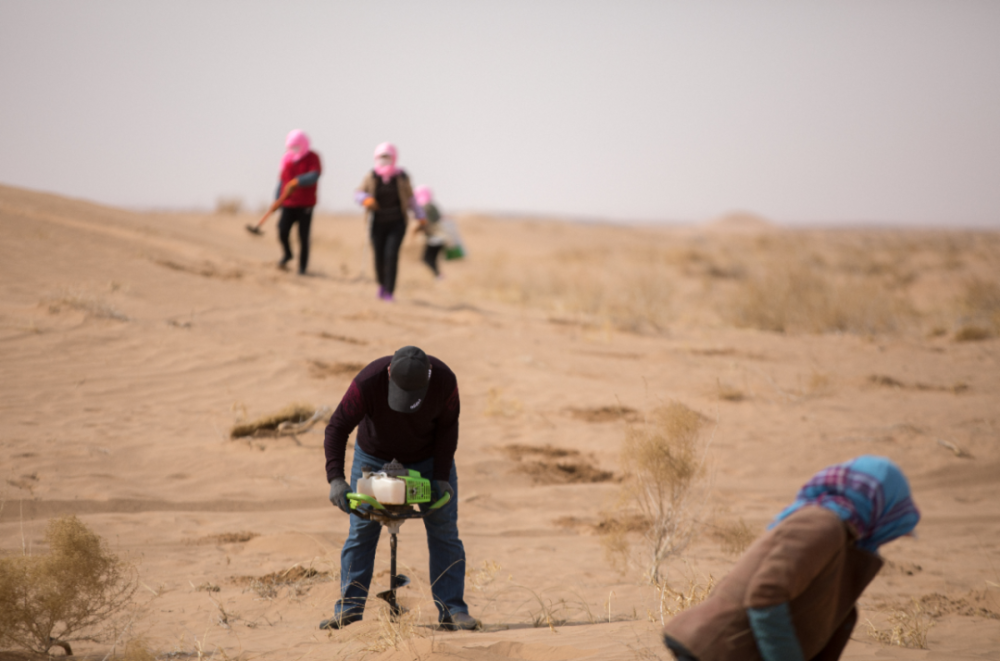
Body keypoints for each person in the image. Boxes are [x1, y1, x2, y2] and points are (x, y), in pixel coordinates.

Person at [662, 455, 920, 661]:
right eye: (894, 517)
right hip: (720, 648)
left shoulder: (842, 537)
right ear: (878, 505)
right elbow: (766, 593)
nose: (894, 533)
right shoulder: (823, 524)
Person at [320, 346, 478, 631]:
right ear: (389, 374)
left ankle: (453, 609)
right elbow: (337, 427)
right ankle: (349, 610)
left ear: (427, 380)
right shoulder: (368, 382)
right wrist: (336, 479)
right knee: (361, 531)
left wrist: (441, 477)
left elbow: (447, 428)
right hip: (373, 457)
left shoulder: (444, 381)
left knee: (444, 530)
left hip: (429, 460)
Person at [354, 143, 425, 301]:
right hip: (377, 223)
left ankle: (390, 292)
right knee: (379, 257)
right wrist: (366, 200)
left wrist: (420, 215)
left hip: (397, 223)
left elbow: (411, 198)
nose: (384, 160)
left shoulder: (402, 177)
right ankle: (382, 285)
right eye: (381, 157)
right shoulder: (371, 176)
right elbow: (358, 193)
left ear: (394, 158)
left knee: (391, 255)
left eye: (388, 157)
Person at [247, 129, 322, 274]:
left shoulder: (313, 157)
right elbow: (282, 181)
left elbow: (314, 175)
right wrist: (276, 200)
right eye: (291, 146)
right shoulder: (287, 159)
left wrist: (298, 181)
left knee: (303, 236)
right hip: (288, 203)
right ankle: (288, 254)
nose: (294, 149)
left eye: (297, 145)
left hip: (306, 204)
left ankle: (302, 268)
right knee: (282, 230)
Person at [412, 185, 448, 279]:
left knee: (427, 259)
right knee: (432, 259)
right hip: (442, 237)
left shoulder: (424, 207)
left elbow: (424, 222)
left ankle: (438, 276)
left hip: (434, 238)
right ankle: (438, 276)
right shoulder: (433, 206)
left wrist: (416, 230)